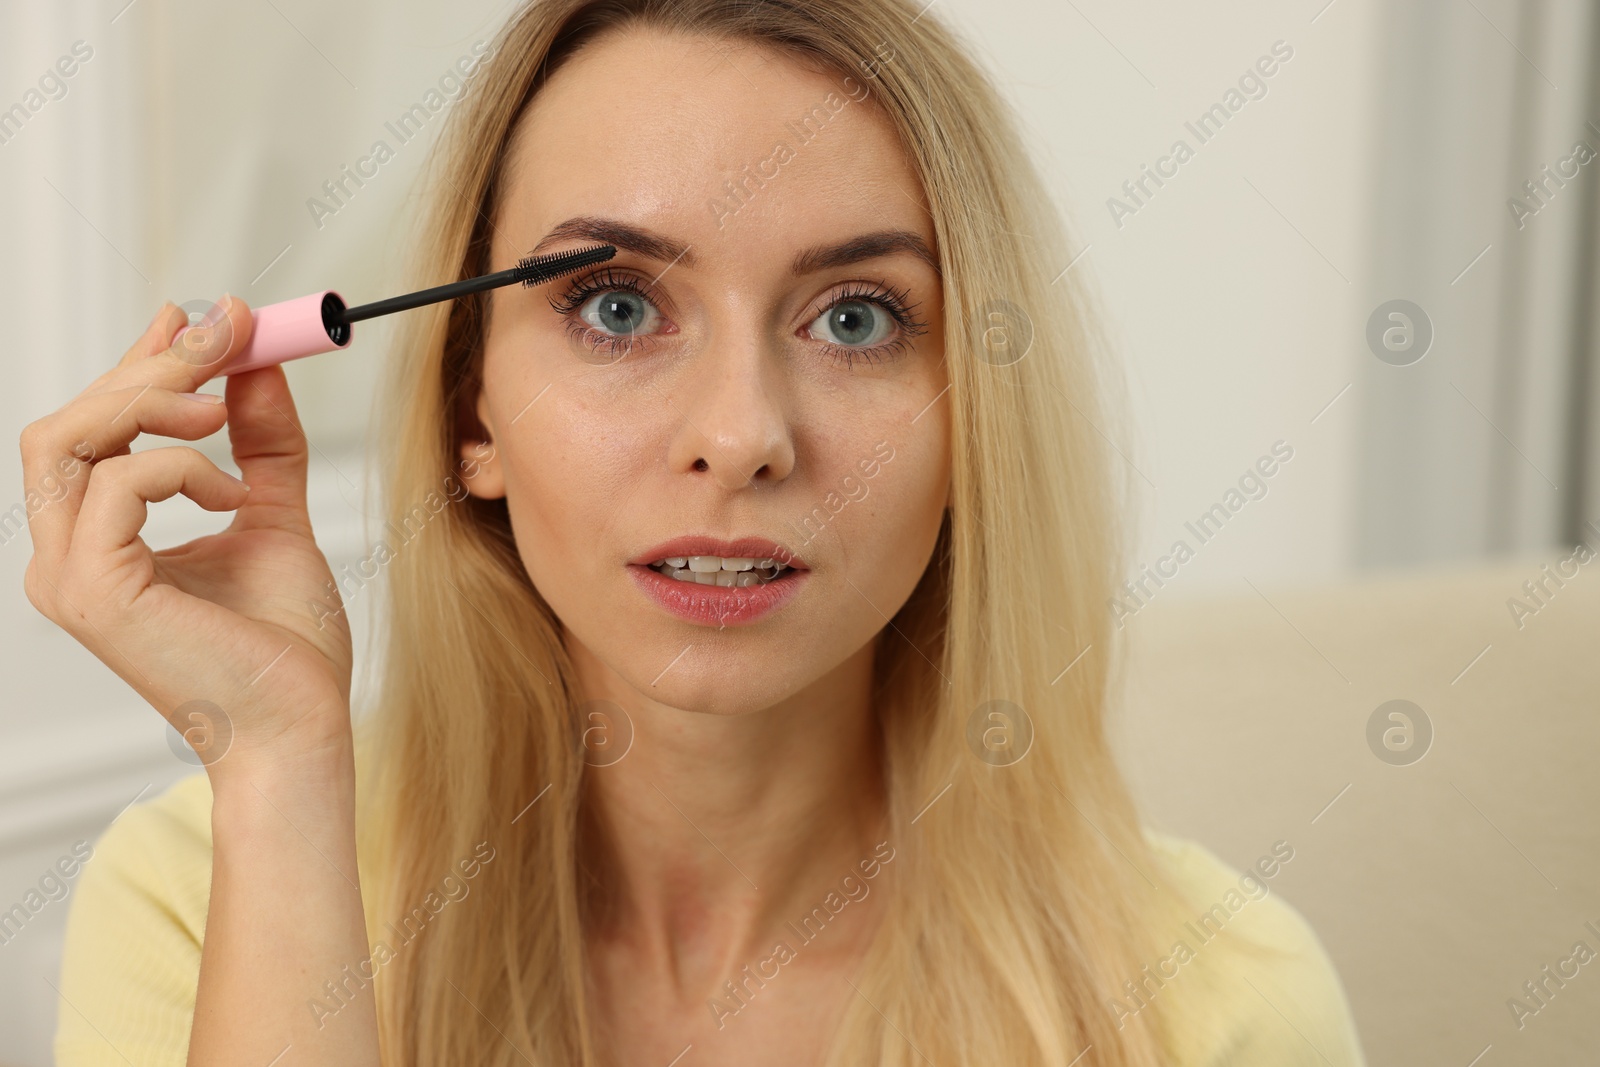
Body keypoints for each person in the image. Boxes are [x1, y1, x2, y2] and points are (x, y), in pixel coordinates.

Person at [20, 0, 1367, 1063]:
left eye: (855, 319)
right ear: (466, 412)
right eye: (615, 307)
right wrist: (275, 763)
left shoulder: (1216, 1012)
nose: (742, 433)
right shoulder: (209, 895)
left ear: (977, 428)